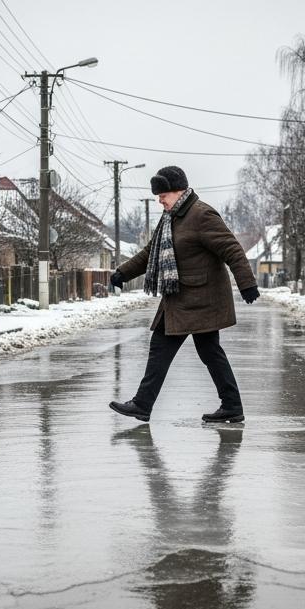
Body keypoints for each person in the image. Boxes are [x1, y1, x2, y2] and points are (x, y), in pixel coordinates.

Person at [109, 165, 259, 424]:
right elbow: (149, 253)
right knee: (204, 351)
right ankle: (231, 406)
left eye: (162, 196)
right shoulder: (171, 218)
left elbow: (232, 249)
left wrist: (247, 283)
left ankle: (144, 404)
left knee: (178, 349)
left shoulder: (201, 215)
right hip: (181, 297)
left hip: (201, 299)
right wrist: (123, 273)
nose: (160, 201)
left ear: (177, 191)